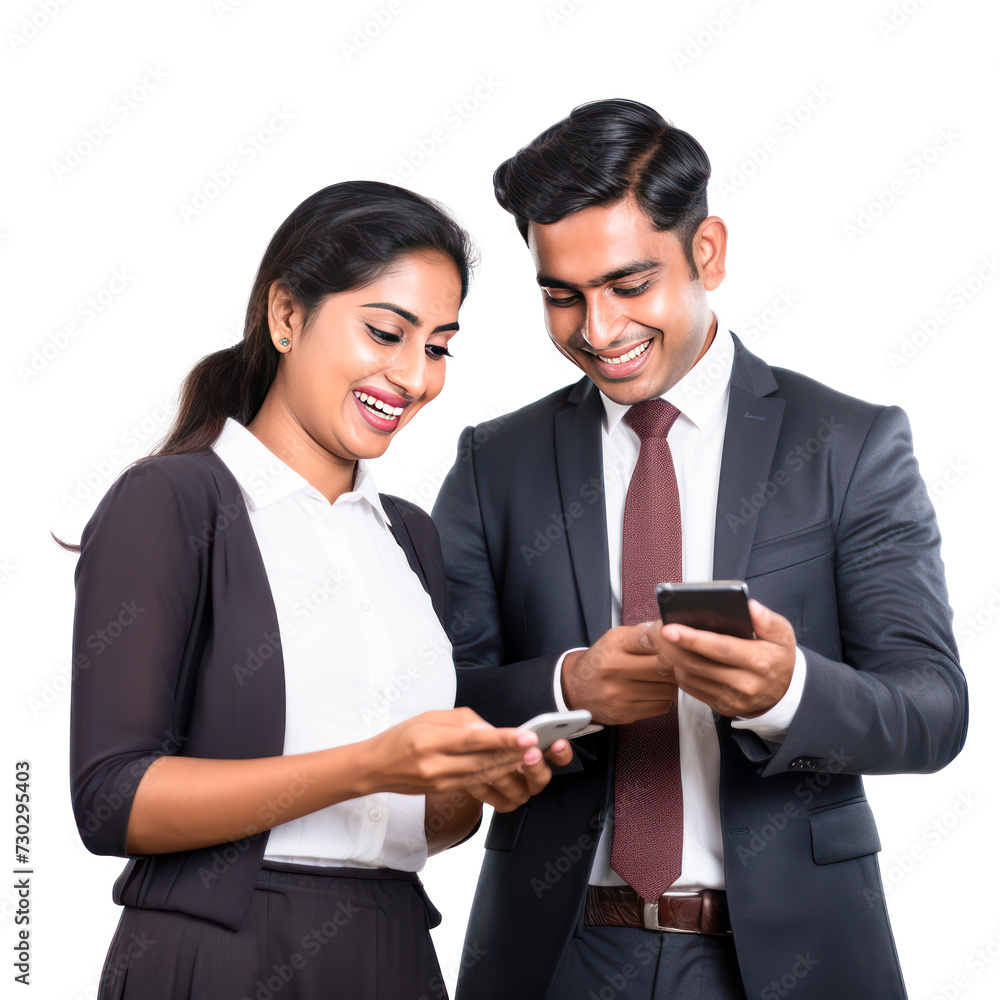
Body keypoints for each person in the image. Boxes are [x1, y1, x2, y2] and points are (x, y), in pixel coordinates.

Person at [431, 100, 968, 999]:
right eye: (562, 295)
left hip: (789, 957)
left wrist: (789, 692)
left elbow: (932, 709)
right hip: (558, 953)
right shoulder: (497, 463)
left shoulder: (849, 444)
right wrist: (570, 686)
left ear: (707, 251)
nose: (596, 332)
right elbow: (436, 696)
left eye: (629, 285)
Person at [61, 180, 572, 1000]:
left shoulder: (410, 536)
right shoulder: (175, 501)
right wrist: (371, 762)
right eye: (385, 333)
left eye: (438, 347)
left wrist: (463, 784)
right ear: (287, 315)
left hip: (394, 946)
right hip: (222, 952)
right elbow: (112, 799)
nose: (413, 377)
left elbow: (432, 825)